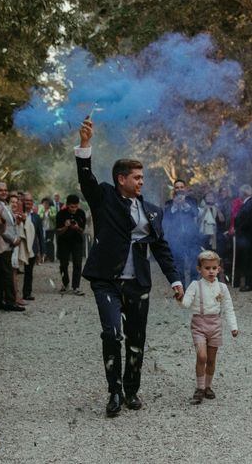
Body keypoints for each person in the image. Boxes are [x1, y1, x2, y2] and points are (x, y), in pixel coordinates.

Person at [75, 117, 182, 417]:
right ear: (121, 179)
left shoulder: (152, 211)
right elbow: (86, 180)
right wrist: (85, 145)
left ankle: (131, 391)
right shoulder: (104, 197)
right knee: (112, 334)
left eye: (142, 178)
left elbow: (161, 247)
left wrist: (174, 279)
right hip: (106, 280)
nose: (141, 182)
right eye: (136, 177)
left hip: (138, 284)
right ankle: (114, 392)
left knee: (136, 340)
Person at [181, 250, 238, 404]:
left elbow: (228, 307)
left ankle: (208, 386)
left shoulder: (222, 288)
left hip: (215, 325)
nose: (211, 271)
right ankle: (199, 388)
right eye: (207, 268)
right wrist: (180, 297)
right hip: (199, 324)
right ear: (199, 269)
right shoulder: (195, 285)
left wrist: (233, 326)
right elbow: (186, 304)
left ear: (218, 269)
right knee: (202, 356)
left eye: (214, 268)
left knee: (211, 359)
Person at [0, 182, 23, 312]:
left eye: (5, 190)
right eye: (0, 190)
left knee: (5, 273)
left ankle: (2, 301)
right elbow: (0, 228)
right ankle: (10, 302)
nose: (4, 192)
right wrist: (13, 239)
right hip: (2, 244)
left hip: (9, 245)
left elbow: (11, 224)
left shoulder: (5, 205)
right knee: (6, 274)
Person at [164, 179, 199, 287]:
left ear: (185, 188)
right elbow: (166, 218)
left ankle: (193, 287)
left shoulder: (192, 200)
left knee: (194, 264)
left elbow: (196, 213)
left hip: (191, 237)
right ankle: (182, 288)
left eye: (181, 187)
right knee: (179, 266)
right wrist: (175, 205)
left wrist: (184, 204)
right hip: (176, 239)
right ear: (174, 189)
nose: (179, 189)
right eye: (177, 187)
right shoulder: (169, 203)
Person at [56, 194, 87, 295]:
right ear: (67, 205)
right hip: (64, 242)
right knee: (63, 264)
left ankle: (76, 286)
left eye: (76, 206)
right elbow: (58, 231)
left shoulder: (81, 213)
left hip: (77, 242)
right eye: (71, 207)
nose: (74, 209)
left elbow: (82, 230)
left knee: (78, 263)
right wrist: (65, 227)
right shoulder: (61, 214)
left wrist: (77, 227)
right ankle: (65, 283)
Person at [234, 185, 252, 291]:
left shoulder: (250, 204)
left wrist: (238, 229)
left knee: (249, 261)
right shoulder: (249, 203)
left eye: (240, 192)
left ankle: (251, 284)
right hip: (248, 237)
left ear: (244, 193)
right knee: (248, 260)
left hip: (248, 238)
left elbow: (248, 222)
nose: (239, 194)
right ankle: (251, 283)